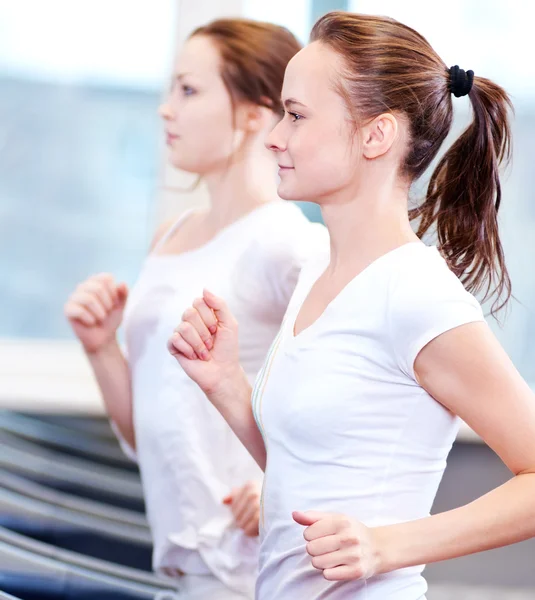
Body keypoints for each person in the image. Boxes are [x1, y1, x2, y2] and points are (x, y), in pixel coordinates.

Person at [167, 10, 535, 600]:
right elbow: (305, 474)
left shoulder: (415, 293)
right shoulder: (322, 270)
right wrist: (226, 384)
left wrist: (391, 545)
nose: (273, 137)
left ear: (375, 135)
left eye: (296, 115)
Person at [65, 18, 327, 600]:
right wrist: (102, 346)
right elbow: (146, 433)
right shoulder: (172, 235)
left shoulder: (287, 244)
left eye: (188, 90)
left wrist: (290, 480)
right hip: (187, 567)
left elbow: (356, 395)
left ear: (257, 114)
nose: (165, 110)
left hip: (251, 570)